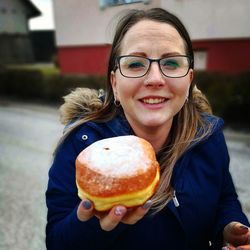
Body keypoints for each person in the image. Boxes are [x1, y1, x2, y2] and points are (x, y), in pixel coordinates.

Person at [45, 8, 250, 250]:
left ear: (189, 80)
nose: (155, 79)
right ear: (115, 84)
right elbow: (58, 242)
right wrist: (93, 224)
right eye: (135, 64)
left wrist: (229, 228)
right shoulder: (82, 145)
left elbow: (224, 199)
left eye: (171, 63)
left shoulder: (208, 135)